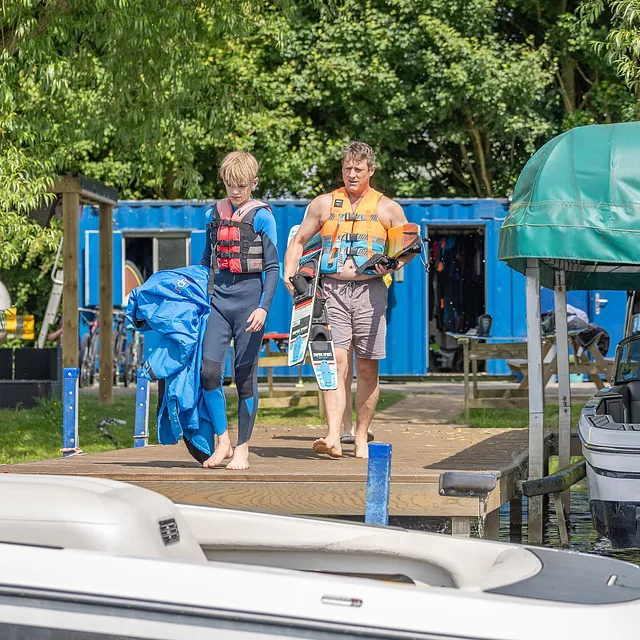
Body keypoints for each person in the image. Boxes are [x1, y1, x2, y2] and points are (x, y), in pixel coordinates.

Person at [284, 141, 416, 459]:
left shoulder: (388, 208)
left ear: (371, 170)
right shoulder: (323, 204)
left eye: (358, 169)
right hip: (330, 290)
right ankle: (332, 435)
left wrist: (394, 264)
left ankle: (360, 436)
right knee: (336, 362)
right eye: (347, 168)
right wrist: (290, 275)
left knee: (368, 369)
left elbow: (410, 247)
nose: (352, 174)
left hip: (370, 292)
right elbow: (299, 240)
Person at [197, 151, 279, 470]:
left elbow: (271, 268)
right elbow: (206, 261)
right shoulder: (213, 214)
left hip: (249, 302)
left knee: (244, 378)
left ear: (253, 183)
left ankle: (243, 447)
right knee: (209, 373)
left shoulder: (262, 216)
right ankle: (223, 441)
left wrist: (263, 308)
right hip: (219, 301)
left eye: (242, 186)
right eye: (230, 184)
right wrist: (199, 296)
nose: (235, 191)